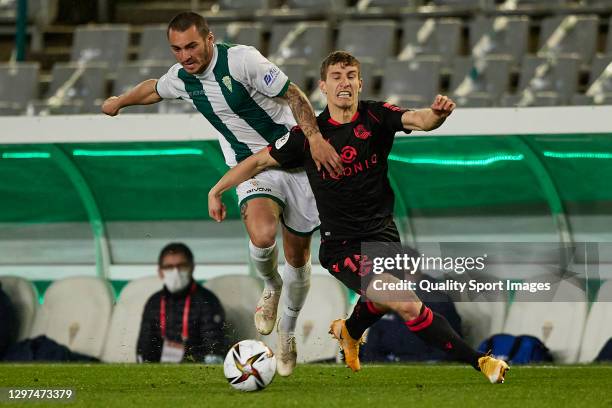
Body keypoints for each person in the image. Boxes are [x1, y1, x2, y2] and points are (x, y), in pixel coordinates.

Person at [207, 51, 509, 383]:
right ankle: (481, 361)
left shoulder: (377, 117)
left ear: (360, 82)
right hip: (342, 247)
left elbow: (420, 120)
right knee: (406, 303)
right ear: (323, 86)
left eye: (351, 75)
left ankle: (348, 332)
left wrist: (437, 114)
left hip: (384, 238)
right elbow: (258, 162)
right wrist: (217, 189)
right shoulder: (310, 137)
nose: (344, 82)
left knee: (380, 302)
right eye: (336, 76)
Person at [102, 12, 343, 376]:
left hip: (295, 161)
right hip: (251, 167)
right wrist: (120, 101)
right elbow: (154, 87)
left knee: (298, 258)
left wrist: (315, 138)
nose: (185, 56)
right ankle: (269, 285)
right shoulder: (184, 78)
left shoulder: (242, 60)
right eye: (177, 49)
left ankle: (288, 333)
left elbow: (293, 94)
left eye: (192, 46)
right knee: (262, 236)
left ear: (209, 39)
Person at [137, 242, 226, 363]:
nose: (175, 272)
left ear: (192, 267)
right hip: (159, 372)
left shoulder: (207, 300)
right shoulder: (154, 302)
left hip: (194, 371)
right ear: (160, 272)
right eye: (169, 267)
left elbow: (213, 349)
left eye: (182, 266)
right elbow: (144, 347)